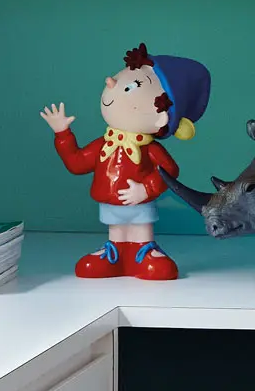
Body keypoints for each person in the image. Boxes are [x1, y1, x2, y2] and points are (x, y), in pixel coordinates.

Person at [40, 44, 212, 278]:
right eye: (120, 77)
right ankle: (115, 251)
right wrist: (63, 134)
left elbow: (169, 171)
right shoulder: (104, 145)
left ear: (161, 116)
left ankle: (144, 249)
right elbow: (77, 163)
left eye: (132, 85)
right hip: (111, 205)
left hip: (141, 206)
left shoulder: (149, 149)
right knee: (117, 230)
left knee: (141, 229)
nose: (111, 82)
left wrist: (146, 189)